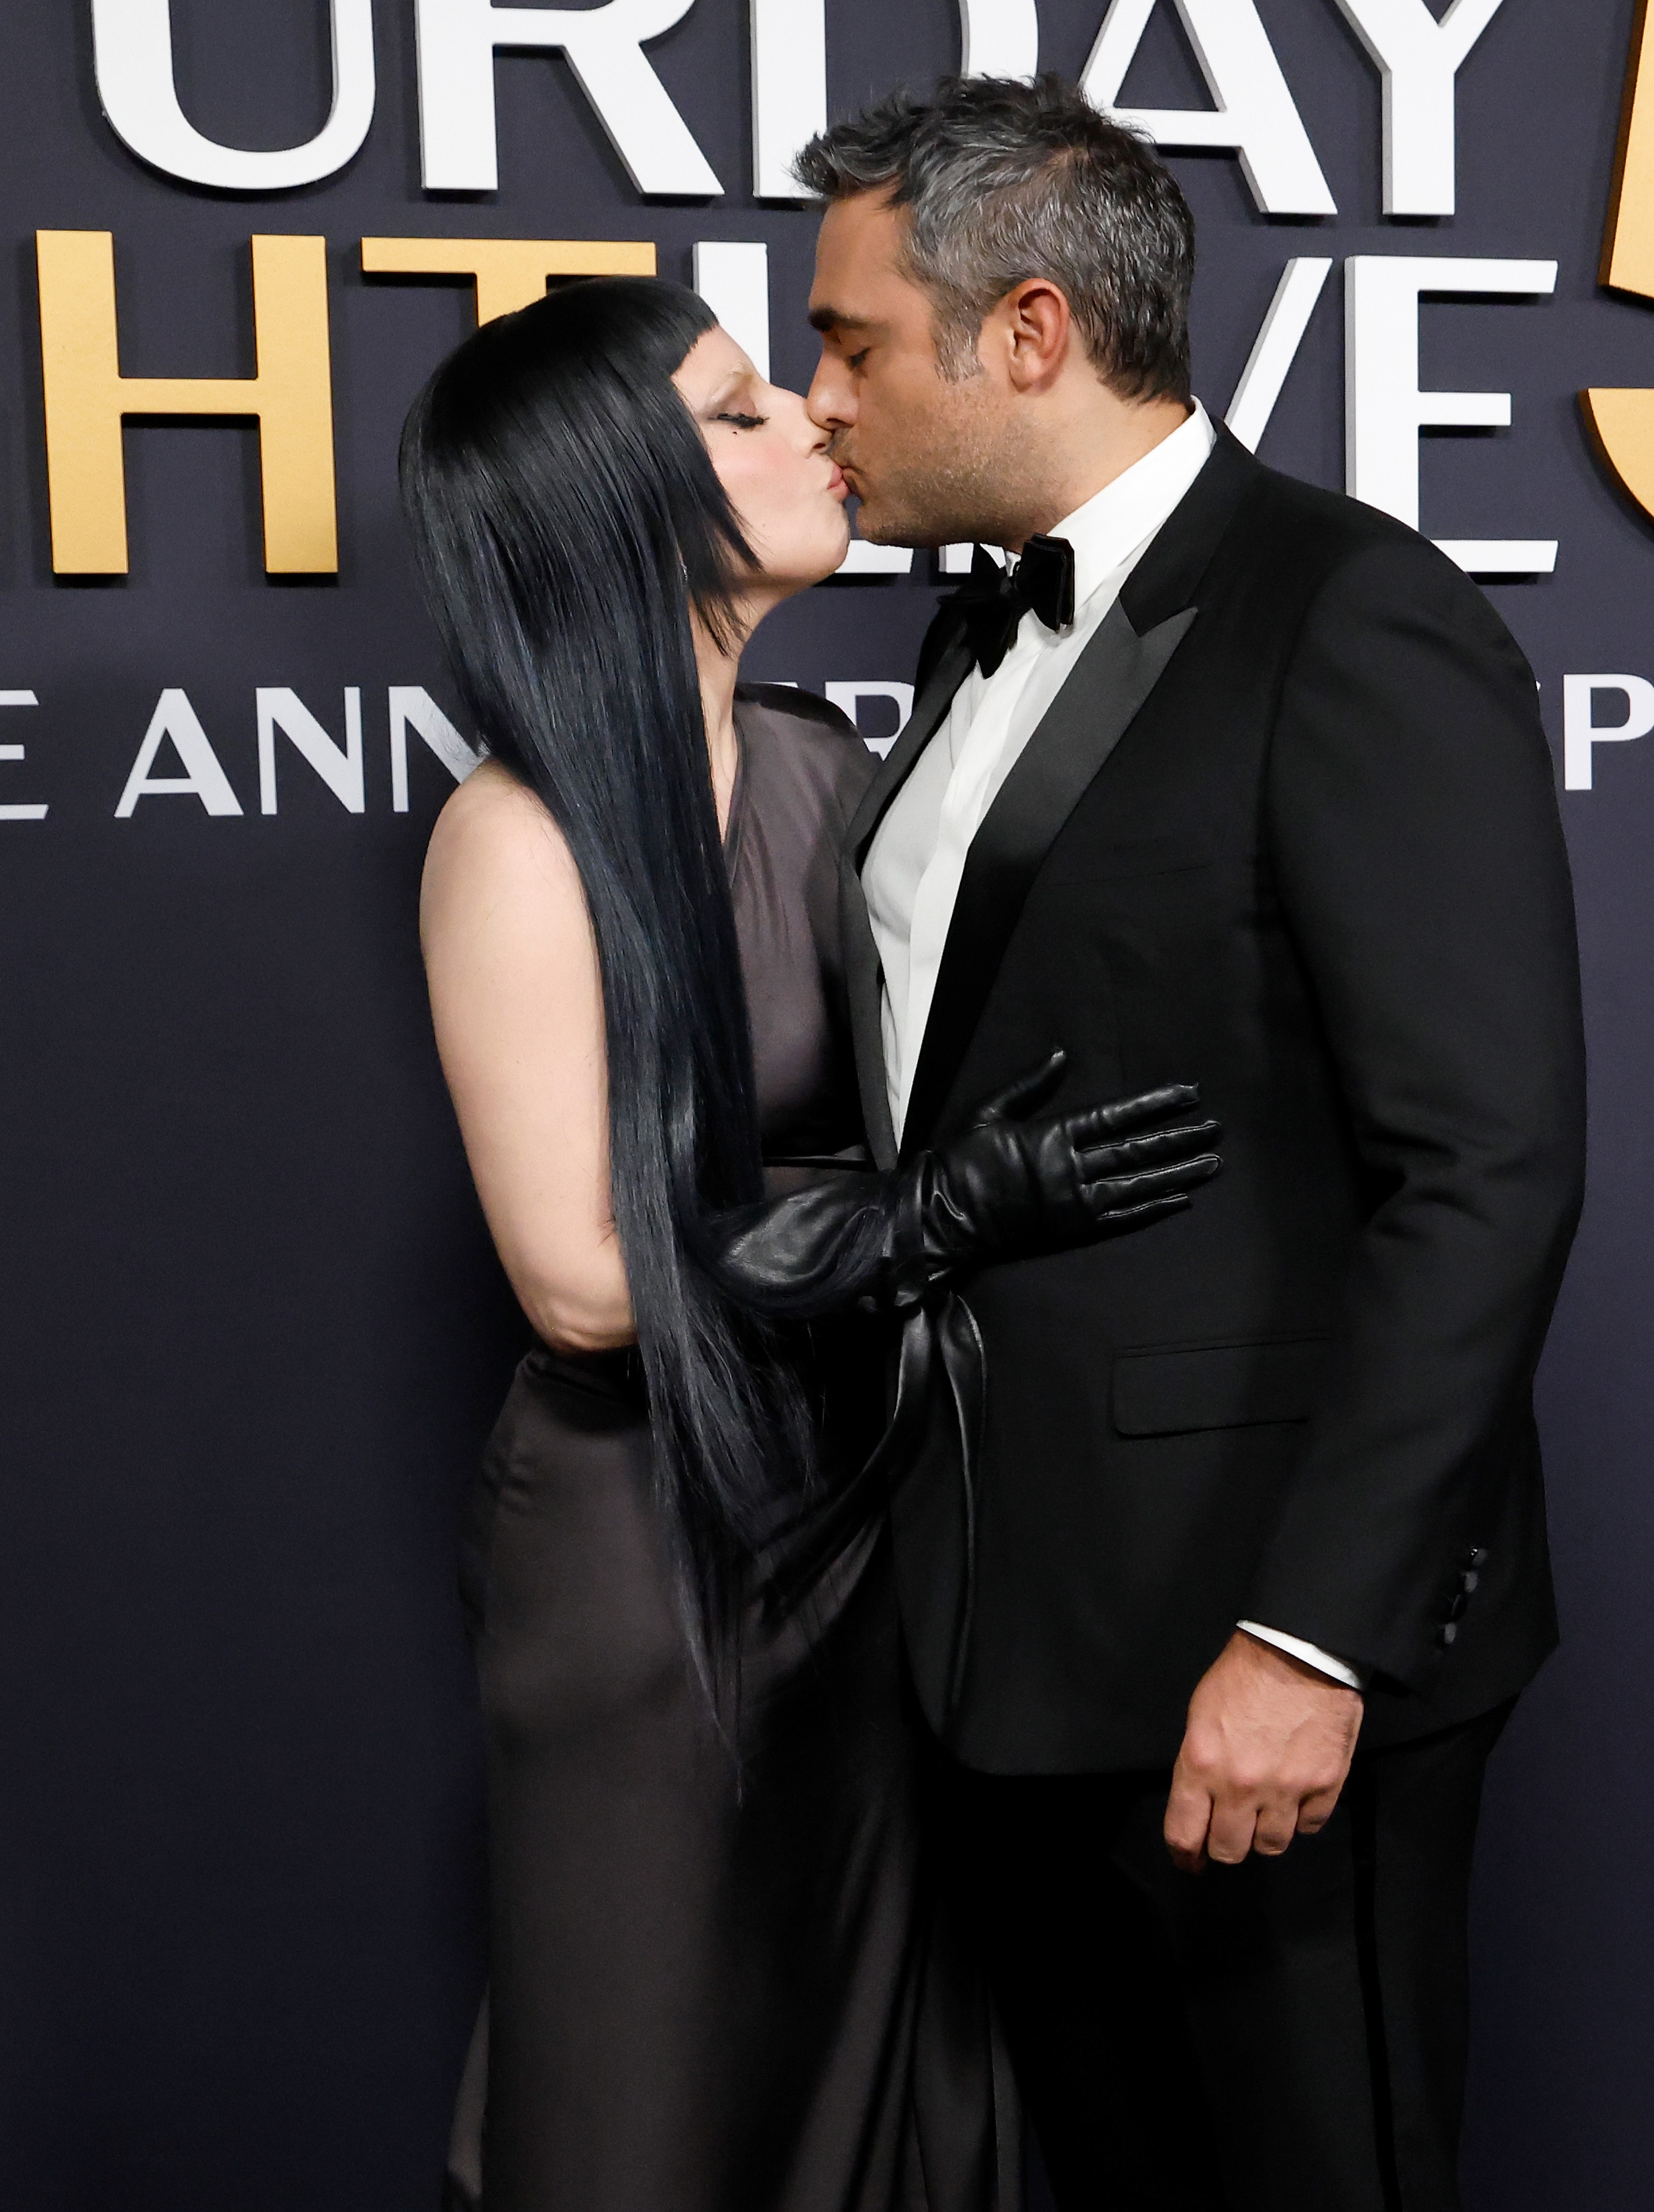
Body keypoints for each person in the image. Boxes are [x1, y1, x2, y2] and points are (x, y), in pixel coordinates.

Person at [793, 74, 1586, 2212]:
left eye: (853, 342)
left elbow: (1486, 1164)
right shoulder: (965, 632)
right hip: (1004, 1642)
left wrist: (1313, 1640)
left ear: (1029, 334)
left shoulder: (1353, 618)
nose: (820, 396)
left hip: (1262, 1668)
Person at [398, 276, 1222, 2212]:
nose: (816, 424)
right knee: (659, 2099)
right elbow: (582, 1279)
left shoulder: (827, 765)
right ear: (624, 496)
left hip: (878, 1519)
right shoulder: (519, 837)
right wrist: (940, 1214)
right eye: (744, 408)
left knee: (909, 2091)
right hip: (653, 1550)